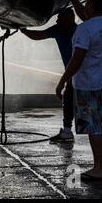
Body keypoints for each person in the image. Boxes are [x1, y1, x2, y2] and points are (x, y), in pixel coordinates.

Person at [56, 0, 102, 180]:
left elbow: (76, 60)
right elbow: (88, 18)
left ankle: (97, 169)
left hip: (88, 86)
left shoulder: (83, 30)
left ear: (90, 6)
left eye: (86, 3)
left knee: (94, 128)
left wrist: (62, 81)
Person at [21, 9, 78, 143]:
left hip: (82, 73)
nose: (57, 20)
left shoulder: (79, 32)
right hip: (71, 72)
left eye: (60, 17)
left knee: (89, 103)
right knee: (69, 97)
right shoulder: (57, 29)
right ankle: (67, 130)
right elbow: (38, 35)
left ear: (70, 18)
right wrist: (23, 30)